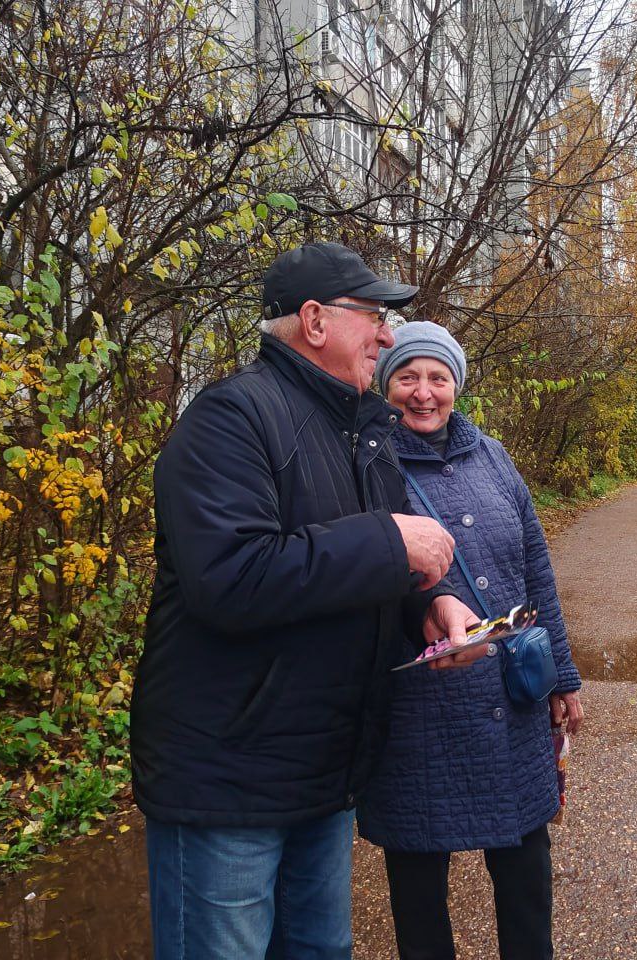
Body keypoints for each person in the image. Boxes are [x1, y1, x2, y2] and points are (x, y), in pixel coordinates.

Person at [130, 243, 485, 960]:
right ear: (316, 321)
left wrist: (432, 607)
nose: (386, 334)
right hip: (230, 781)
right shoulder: (230, 418)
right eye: (374, 316)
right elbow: (230, 577)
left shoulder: (364, 430)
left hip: (323, 773)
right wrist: (390, 543)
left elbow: (378, 567)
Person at [357, 321, 584, 960]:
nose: (423, 392)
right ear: (385, 384)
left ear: (456, 385)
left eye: (438, 377)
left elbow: (536, 567)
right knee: (418, 882)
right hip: (418, 707)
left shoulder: (493, 456)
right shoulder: (367, 462)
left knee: (525, 871)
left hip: (509, 701)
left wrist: (562, 676)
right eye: (407, 377)